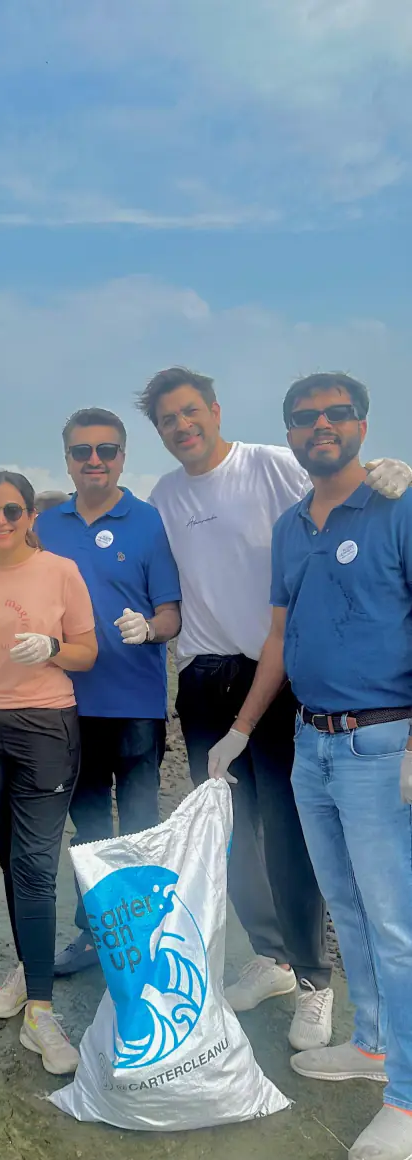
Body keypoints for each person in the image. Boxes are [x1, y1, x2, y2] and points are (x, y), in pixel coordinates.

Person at [139, 366, 412, 1053]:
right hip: (203, 679)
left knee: (292, 836)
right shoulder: (163, 495)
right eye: (168, 419)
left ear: (215, 410)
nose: (182, 425)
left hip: (277, 673)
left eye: (191, 411)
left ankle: (316, 980)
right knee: (229, 831)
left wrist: (392, 470)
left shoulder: (268, 465)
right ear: (160, 431)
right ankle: (272, 958)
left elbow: (342, 484)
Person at [208, 373, 412, 1160]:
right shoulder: (292, 527)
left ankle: (407, 1098)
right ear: (289, 432)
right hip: (312, 745)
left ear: (362, 422)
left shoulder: (397, 504)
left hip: (381, 744)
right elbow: (278, 638)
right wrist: (240, 729)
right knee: (348, 910)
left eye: (336, 414)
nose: (320, 426)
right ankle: (373, 1045)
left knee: (395, 924)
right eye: (303, 418)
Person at [0, 471, 97, 1075]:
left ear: (32, 515)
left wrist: (53, 649)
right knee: (13, 859)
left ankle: (41, 1010)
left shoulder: (60, 571)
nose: (1, 521)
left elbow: (87, 652)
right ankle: (30, 966)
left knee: (35, 864)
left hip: (45, 725)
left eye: (13, 510)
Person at [36, 409, 181, 976]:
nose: (94, 460)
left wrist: (150, 628)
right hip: (67, 704)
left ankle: (145, 937)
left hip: (136, 705)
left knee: (142, 826)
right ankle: (95, 934)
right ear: (67, 459)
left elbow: (170, 613)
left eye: (106, 450)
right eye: (82, 451)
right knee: (89, 830)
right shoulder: (47, 526)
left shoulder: (148, 522)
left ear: (122, 457)